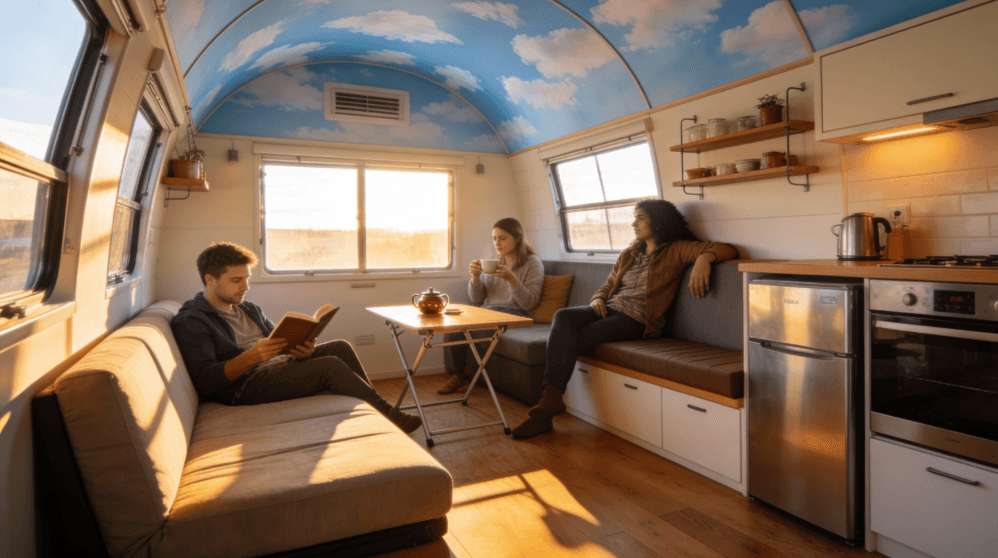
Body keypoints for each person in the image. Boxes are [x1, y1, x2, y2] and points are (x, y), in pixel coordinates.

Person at [511, 199, 737, 439]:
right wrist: (597, 300)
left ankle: (547, 407)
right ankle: (551, 399)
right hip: (609, 309)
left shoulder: (676, 249)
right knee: (563, 316)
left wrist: (704, 259)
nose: (633, 224)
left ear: (658, 222)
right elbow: (608, 284)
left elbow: (727, 249)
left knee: (579, 337)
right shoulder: (630, 253)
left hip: (637, 321)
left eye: (640, 218)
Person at [171, 242, 421, 433]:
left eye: (246, 279)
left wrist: (302, 349)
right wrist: (251, 358)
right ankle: (390, 416)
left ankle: (373, 410)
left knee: (340, 347)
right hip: (245, 385)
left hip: (273, 366)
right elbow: (205, 381)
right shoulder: (192, 321)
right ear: (210, 279)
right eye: (236, 280)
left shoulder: (248, 308)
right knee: (329, 366)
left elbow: (277, 339)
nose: (245, 287)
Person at [437, 218, 544, 395]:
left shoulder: (532, 263)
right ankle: (458, 376)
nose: (497, 243)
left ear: (517, 238)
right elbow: (477, 299)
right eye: (494, 238)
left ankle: (470, 376)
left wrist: (511, 279)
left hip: (516, 314)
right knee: (454, 325)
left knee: (474, 330)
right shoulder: (494, 261)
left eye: (502, 238)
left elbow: (530, 303)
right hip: (489, 311)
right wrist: (475, 277)